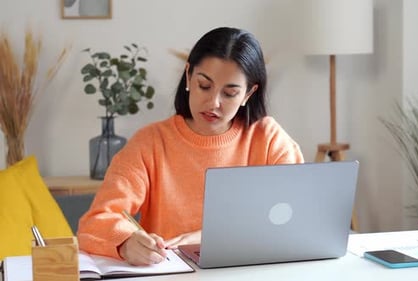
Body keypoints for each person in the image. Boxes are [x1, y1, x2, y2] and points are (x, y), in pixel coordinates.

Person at [77, 27, 304, 266]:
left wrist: (207, 238)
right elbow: (96, 221)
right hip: (172, 272)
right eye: (204, 86)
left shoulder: (268, 139)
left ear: (249, 93)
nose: (213, 103)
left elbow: (296, 217)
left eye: (230, 93)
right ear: (188, 76)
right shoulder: (151, 142)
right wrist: (125, 243)